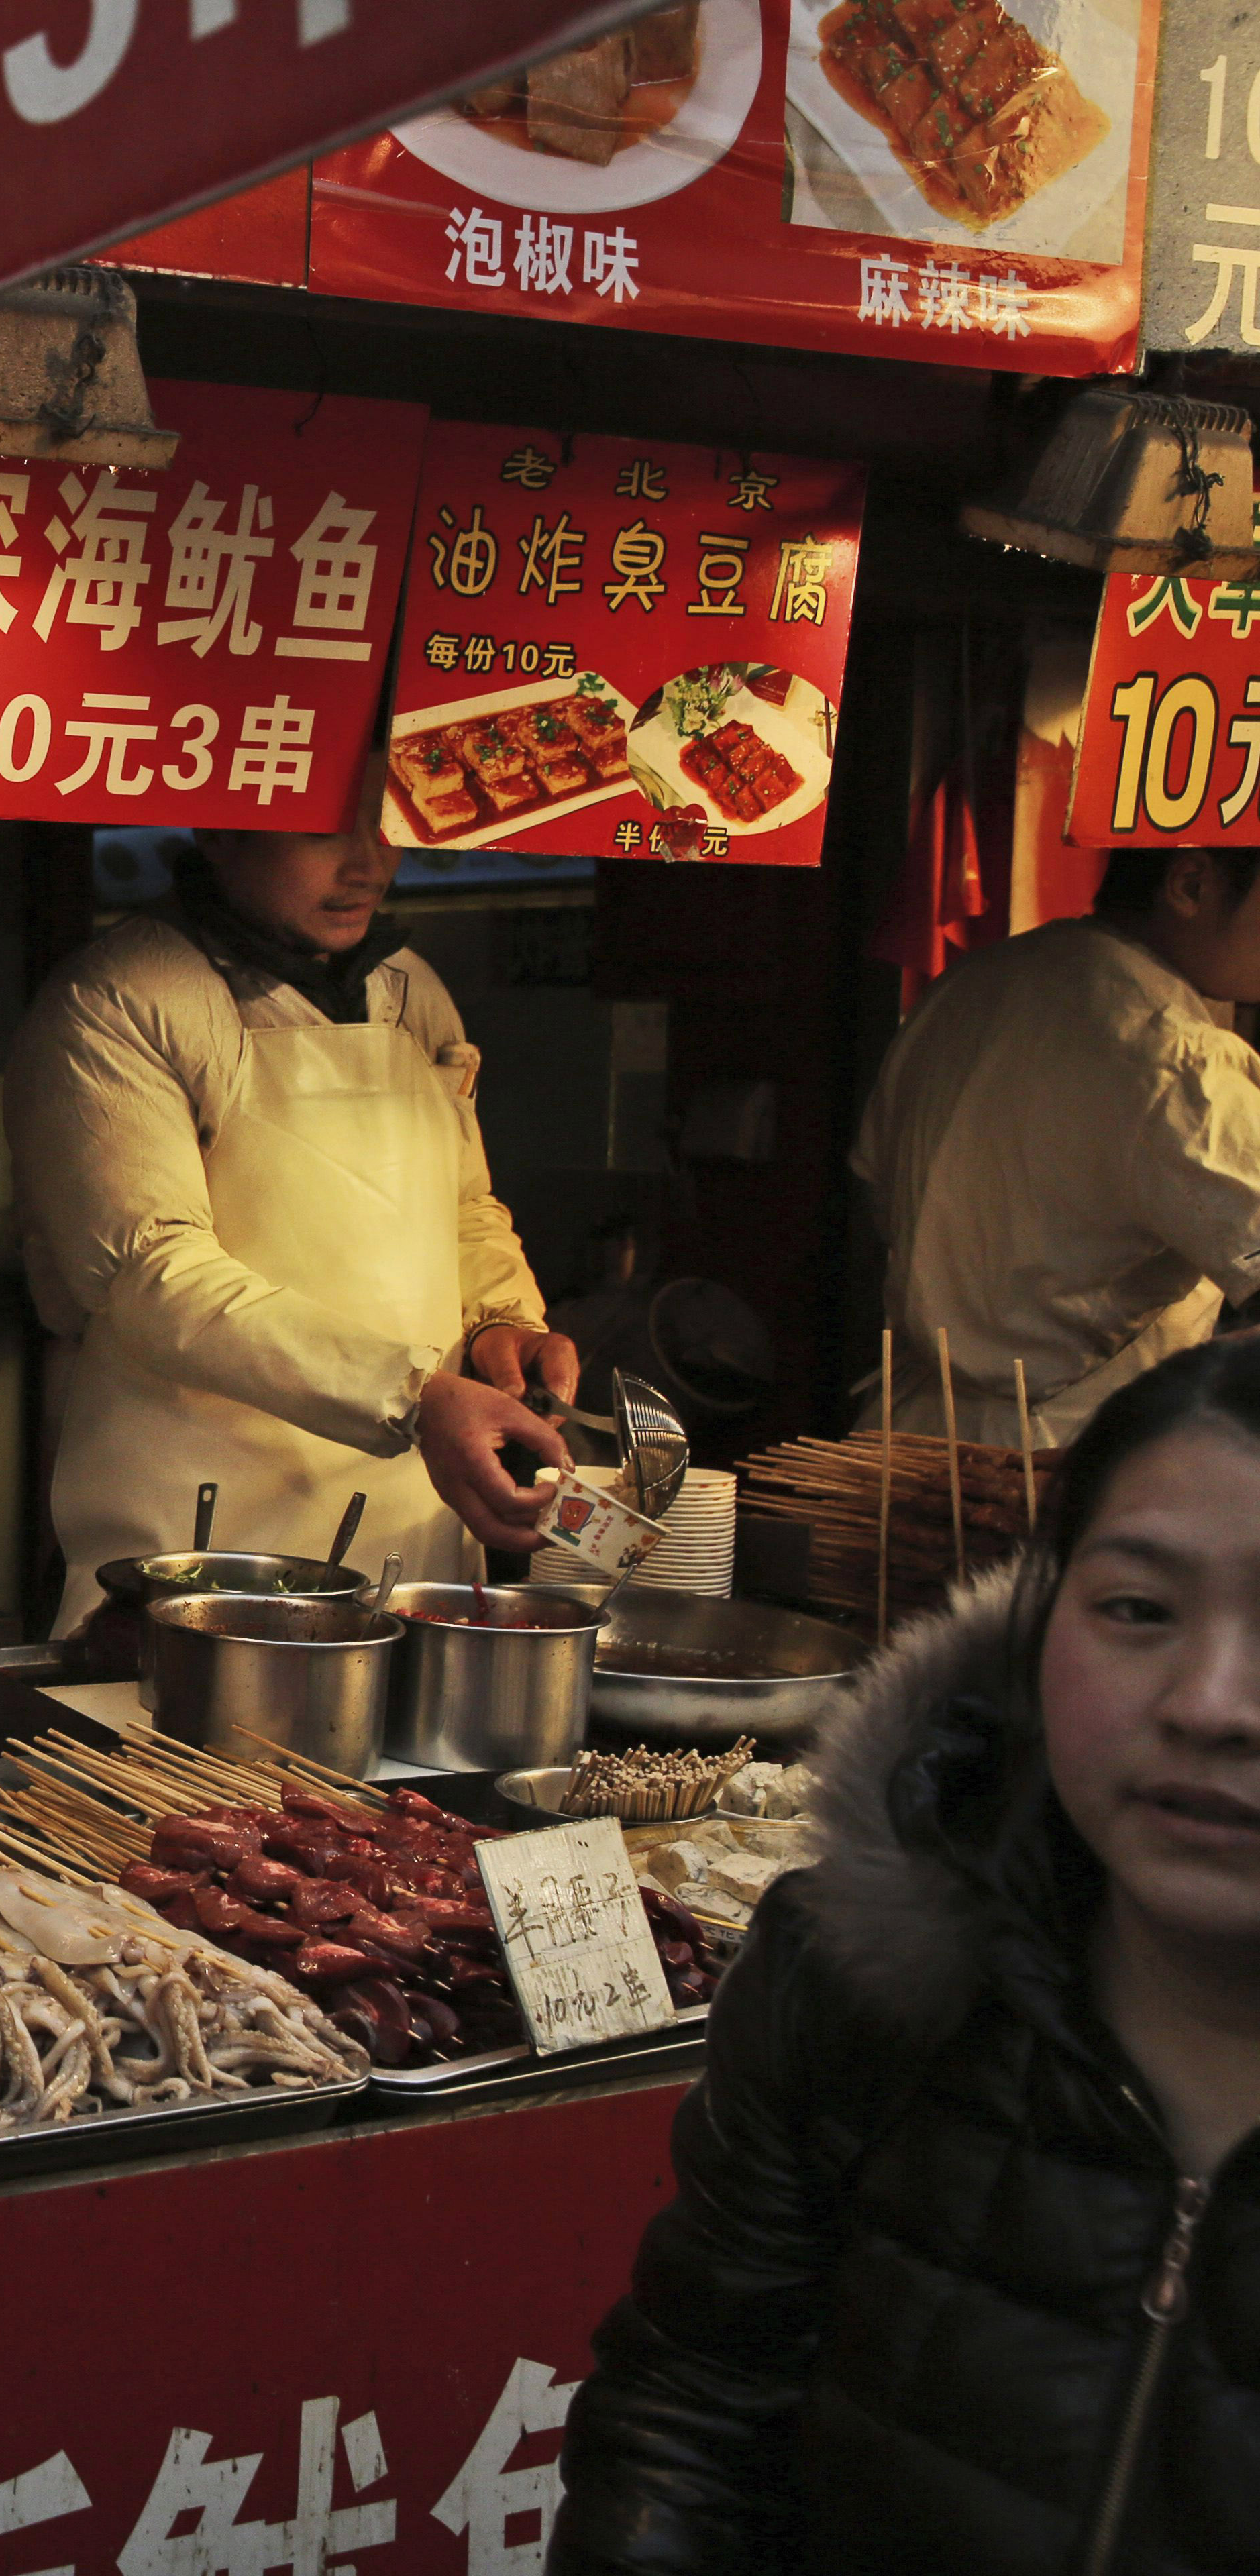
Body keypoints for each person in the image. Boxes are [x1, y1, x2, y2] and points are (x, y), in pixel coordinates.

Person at [552, 1338, 1260, 2571]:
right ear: (1040, 1626)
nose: (1209, 1701)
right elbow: (692, 2423)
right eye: (1137, 1610)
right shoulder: (862, 1983)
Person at [6, 771, 575, 1634]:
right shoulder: (120, 1001)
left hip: (415, 1518)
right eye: (321, 831)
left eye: (385, 824)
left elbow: (462, 1206)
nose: (369, 864)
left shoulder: (411, 991)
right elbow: (153, 1278)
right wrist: (414, 1397)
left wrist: (503, 1320)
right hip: (204, 1541)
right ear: (218, 828)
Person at [853, 846, 1260, 1444]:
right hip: (1068, 1461)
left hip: (905, 1437)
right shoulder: (1178, 1058)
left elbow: (875, 1188)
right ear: (1191, 884)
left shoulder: (973, 984)